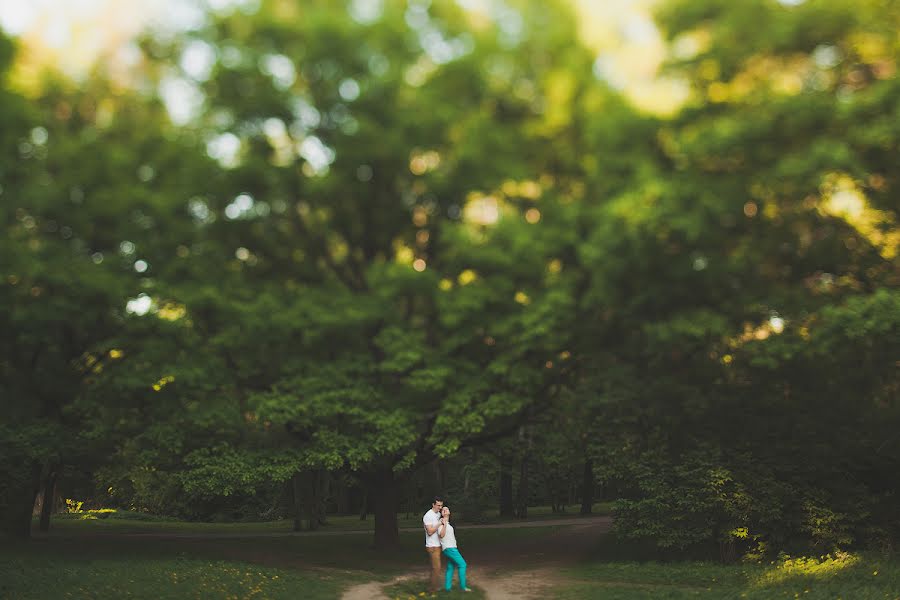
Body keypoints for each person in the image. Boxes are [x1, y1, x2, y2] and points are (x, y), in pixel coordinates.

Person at [438, 506, 472, 592]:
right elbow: (441, 535)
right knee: (462, 565)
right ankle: (463, 587)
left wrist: (446, 523)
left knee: (450, 567)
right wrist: (444, 524)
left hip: (451, 547)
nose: (445, 510)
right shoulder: (441, 522)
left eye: (447, 509)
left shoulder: (449, 523)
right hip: (449, 548)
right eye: (443, 510)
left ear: (449, 512)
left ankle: (447, 588)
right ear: (441, 513)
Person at [422, 495, 444, 593]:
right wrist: (439, 523)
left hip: (438, 545)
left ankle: (433, 586)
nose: (440, 507)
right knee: (437, 568)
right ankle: (432, 590)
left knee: (435, 568)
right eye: (438, 505)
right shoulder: (428, 515)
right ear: (433, 504)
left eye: (441, 505)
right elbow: (430, 531)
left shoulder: (438, 514)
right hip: (432, 546)